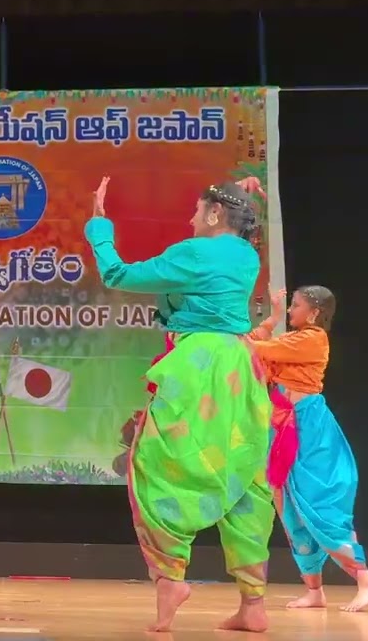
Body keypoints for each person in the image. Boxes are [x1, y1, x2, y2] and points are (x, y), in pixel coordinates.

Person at [84, 176, 274, 633]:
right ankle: (253, 604)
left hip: (199, 367)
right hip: (241, 368)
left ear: (213, 215)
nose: (190, 219)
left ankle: (170, 580)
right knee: (243, 472)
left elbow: (119, 275)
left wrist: (98, 227)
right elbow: (239, 236)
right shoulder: (247, 255)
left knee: (156, 466)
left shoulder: (193, 254)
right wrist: (246, 194)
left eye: (197, 210)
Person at [249, 286, 368, 612]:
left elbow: (255, 349)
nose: (292, 311)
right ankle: (314, 590)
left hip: (307, 428)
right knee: (288, 508)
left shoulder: (312, 339)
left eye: (295, 306)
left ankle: (366, 579)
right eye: (291, 305)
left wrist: (271, 320)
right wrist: (275, 318)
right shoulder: (293, 341)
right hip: (282, 427)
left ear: (312, 313)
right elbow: (258, 355)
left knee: (314, 502)